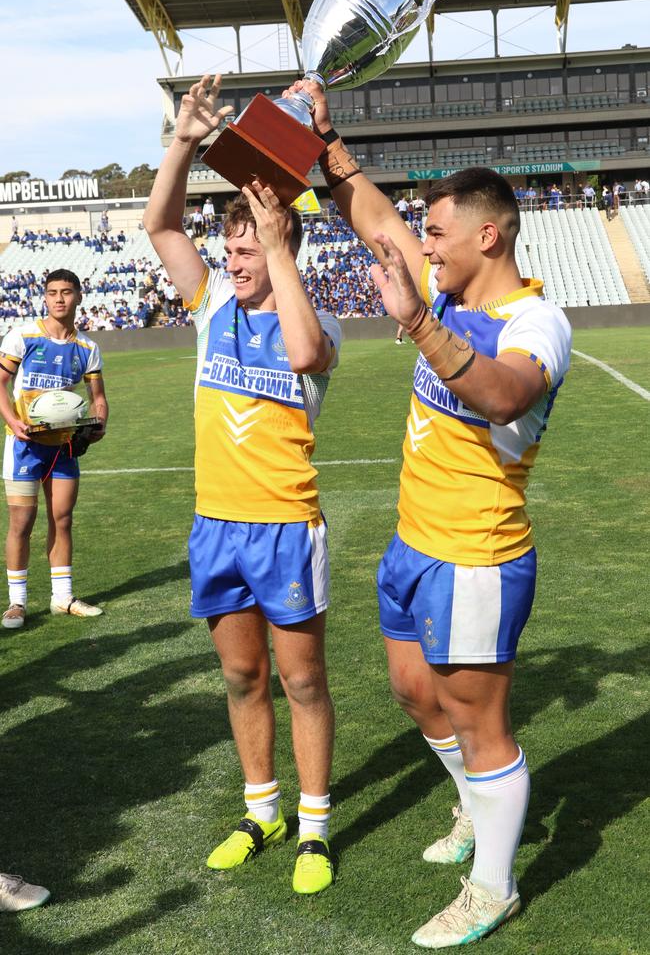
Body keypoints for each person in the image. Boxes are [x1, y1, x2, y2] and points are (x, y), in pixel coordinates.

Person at [287, 78, 572, 948]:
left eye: (437, 233)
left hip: (478, 555)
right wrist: (331, 146)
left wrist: (417, 322)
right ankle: (472, 810)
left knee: (481, 721)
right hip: (416, 545)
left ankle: (494, 885)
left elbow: (503, 394)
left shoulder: (537, 320)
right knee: (417, 693)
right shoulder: (444, 289)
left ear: (488, 235)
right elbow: (370, 216)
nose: (423, 245)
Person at [143, 73, 341, 896]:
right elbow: (159, 225)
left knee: (301, 679)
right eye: (231, 250)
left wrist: (280, 242)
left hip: (285, 525)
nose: (236, 261)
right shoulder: (210, 301)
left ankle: (315, 825)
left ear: (281, 248)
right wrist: (184, 139)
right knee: (241, 677)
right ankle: (261, 810)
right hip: (216, 523)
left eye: (250, 247)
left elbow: (304, 356)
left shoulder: (314, 318)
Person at [0, 269, 108, 629]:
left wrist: (98, 424)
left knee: (62, 519)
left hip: (63, 448)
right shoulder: (24, 335)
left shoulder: (87, 348)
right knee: (21, 522)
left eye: (66, 292)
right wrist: (14, 423)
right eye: (52, 292)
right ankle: (17, 603)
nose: (59, 298)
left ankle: (62, 598)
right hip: (24, 447)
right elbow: (0, 382)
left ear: (78, 295)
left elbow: (98, 398)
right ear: (44, 297)